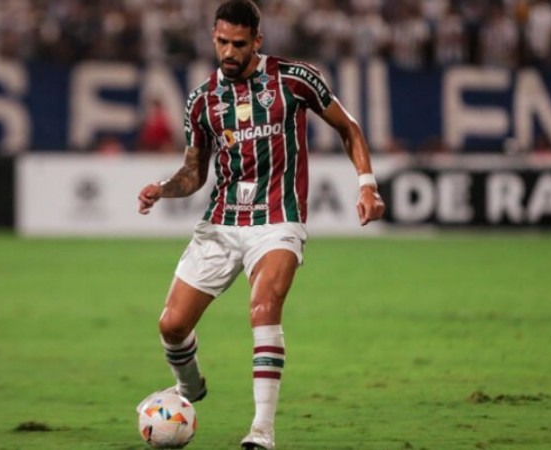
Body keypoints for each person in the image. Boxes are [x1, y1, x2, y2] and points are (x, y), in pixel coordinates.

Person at [136, 1, 385, 449]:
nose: (228, 52)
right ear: (212, 36)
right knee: (171, 326)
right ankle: (190, 389)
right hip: (222, 220)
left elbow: (348, 127)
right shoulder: (202, 101)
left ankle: (261, 432)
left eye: (238, 44)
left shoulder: (293, 79)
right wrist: (163, 188)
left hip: (278, 218)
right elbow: (194, 173)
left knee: (264, 307)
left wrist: (367, 184)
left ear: (257, 41)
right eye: (221, 42)